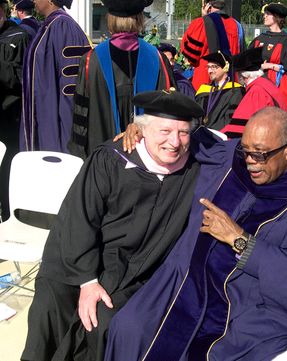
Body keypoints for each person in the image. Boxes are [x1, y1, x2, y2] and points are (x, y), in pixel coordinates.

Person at [104, 107, 287, 361]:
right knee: (128, 328)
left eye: (259, 155)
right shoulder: (232, 158)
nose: (249, 161)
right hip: (185, 282)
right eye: (246, 150)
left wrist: (241, 240)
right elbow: (188, 141)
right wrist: (146, 129)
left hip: (247, 308)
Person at [21, 89, 204, 361]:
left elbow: (230, 143)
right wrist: (87, 280)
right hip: (80, 257)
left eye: (183, 132)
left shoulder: (195, 169)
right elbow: (79, 218)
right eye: (164, 131)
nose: (174, 142)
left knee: (102, 320)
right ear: (142, 130)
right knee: (49, 306)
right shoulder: (111, 160)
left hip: (140, 269)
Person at [68, 0, 175, 160]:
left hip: (102, 164)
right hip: (148, 163)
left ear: (110, 20)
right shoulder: (158, 59)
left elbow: (81, 119)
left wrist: (81, 160)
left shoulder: (92, 61)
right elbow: (170, 110)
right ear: (140, 19)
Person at [19, 0, 92, 153]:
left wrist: (67, 141)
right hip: (43, 116)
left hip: (56, 130)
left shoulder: (64, 27)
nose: (33, 0)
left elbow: (71, 89)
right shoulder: (48, 25)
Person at [0, 0, 29, 220]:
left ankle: (9, 216)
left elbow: (22, 79)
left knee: (7, 173)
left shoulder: (18, 37)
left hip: (9, 119)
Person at [221, 47, 287, 138]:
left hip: (268, 140)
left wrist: (219, 136)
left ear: (243, 76)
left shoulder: (256, 91)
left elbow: (239, 128)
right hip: (278, 133)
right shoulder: (267, 83)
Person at [180, 0, 244, 91]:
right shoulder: (238, 26)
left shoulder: (201, 23)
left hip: (205, 82)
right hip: (230, 83)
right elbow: (241, 55)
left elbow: (190, 55)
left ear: (208, 6)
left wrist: (204, 18)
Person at [249, 2, 287, 113]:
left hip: (274, 91)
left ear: (277, 17)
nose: (264, 16)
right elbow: (247, 62)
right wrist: (260, 66)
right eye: (265, 13)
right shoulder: (259, 39)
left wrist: (271, 66)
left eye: (268, 14)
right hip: (256, 88)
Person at [195, 50, 244, 130]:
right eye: (208, 67)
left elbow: (230, 119)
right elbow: (196, 116)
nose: (209, 71)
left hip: (220, 137)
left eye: (214, 67)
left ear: (225, 68)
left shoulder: (235, 91)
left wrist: (212, 132)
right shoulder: (204, 90)